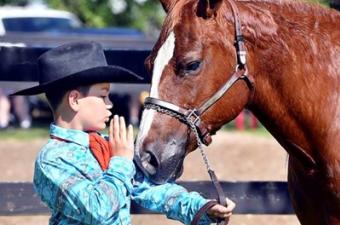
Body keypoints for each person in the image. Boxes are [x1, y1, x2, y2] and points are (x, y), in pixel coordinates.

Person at [11, 41, 235, 225]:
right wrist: (119, 161)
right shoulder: (51, 160)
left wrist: (201, 208)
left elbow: (149, 189)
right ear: (75, 100)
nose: (110, 104)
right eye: (102, 96)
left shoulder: (106, 146)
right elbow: (97, 210)